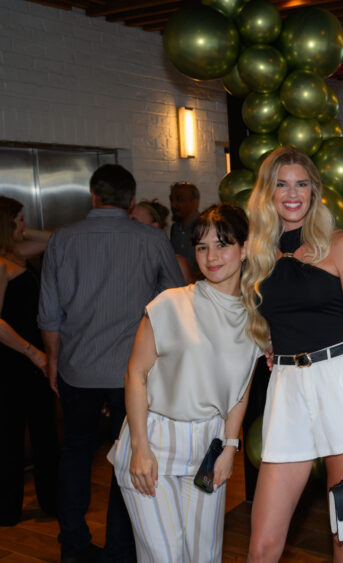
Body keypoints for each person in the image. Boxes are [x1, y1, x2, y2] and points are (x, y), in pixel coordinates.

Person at [38, 164, 184, 562]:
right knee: (129, 457)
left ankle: (73, 543)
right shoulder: (152, 240)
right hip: (133, 375)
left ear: (93, 196)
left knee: (76, 453)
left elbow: (49, 313)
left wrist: (53, 360)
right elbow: (175, 302)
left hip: (77, 368)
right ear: (131, 200)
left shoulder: (63, 240)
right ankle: (121, 550)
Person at [244, 147, 343, 563]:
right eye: (281, 184)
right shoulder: (259, 253)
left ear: (314, 192)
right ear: (267, 193)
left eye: (301, 184)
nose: (292, 193)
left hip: (341, 386)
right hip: (286, 388)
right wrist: (271, 342)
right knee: (263, 544)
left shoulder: (341, 246)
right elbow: (267, 317)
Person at [108, 204, 257, 561]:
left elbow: (240, 390)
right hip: (154, 440)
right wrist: (140, 448)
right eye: (202, 247)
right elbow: (135, 374)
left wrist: (231, 447)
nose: (211, 256)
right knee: (167, 556)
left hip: (209, 447)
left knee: (204, 555)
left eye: (223, 244)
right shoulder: (171, 303)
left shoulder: (256, 319)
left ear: (245, 248)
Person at [0, 196, 58, 527]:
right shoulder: (1, 263)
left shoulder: (15, 253)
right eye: (20, 220)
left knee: (45, 432)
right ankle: (7, 510)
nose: (25, 225)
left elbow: (54, 239)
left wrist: (18, 228)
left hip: (34, 360)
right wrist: (33, 352)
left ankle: (52, 501)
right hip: (11, 361)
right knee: (8, 437)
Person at [130, 199, 194, 283]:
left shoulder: (177, 264)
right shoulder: (127, 260)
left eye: (134, 222)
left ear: (154, 227)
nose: (128, 226)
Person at [169, 181, 200, 274]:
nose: (173, 205)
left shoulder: (203, 227)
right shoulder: (175, 228)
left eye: (179, 199)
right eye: (171, 200)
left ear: (194, 201)